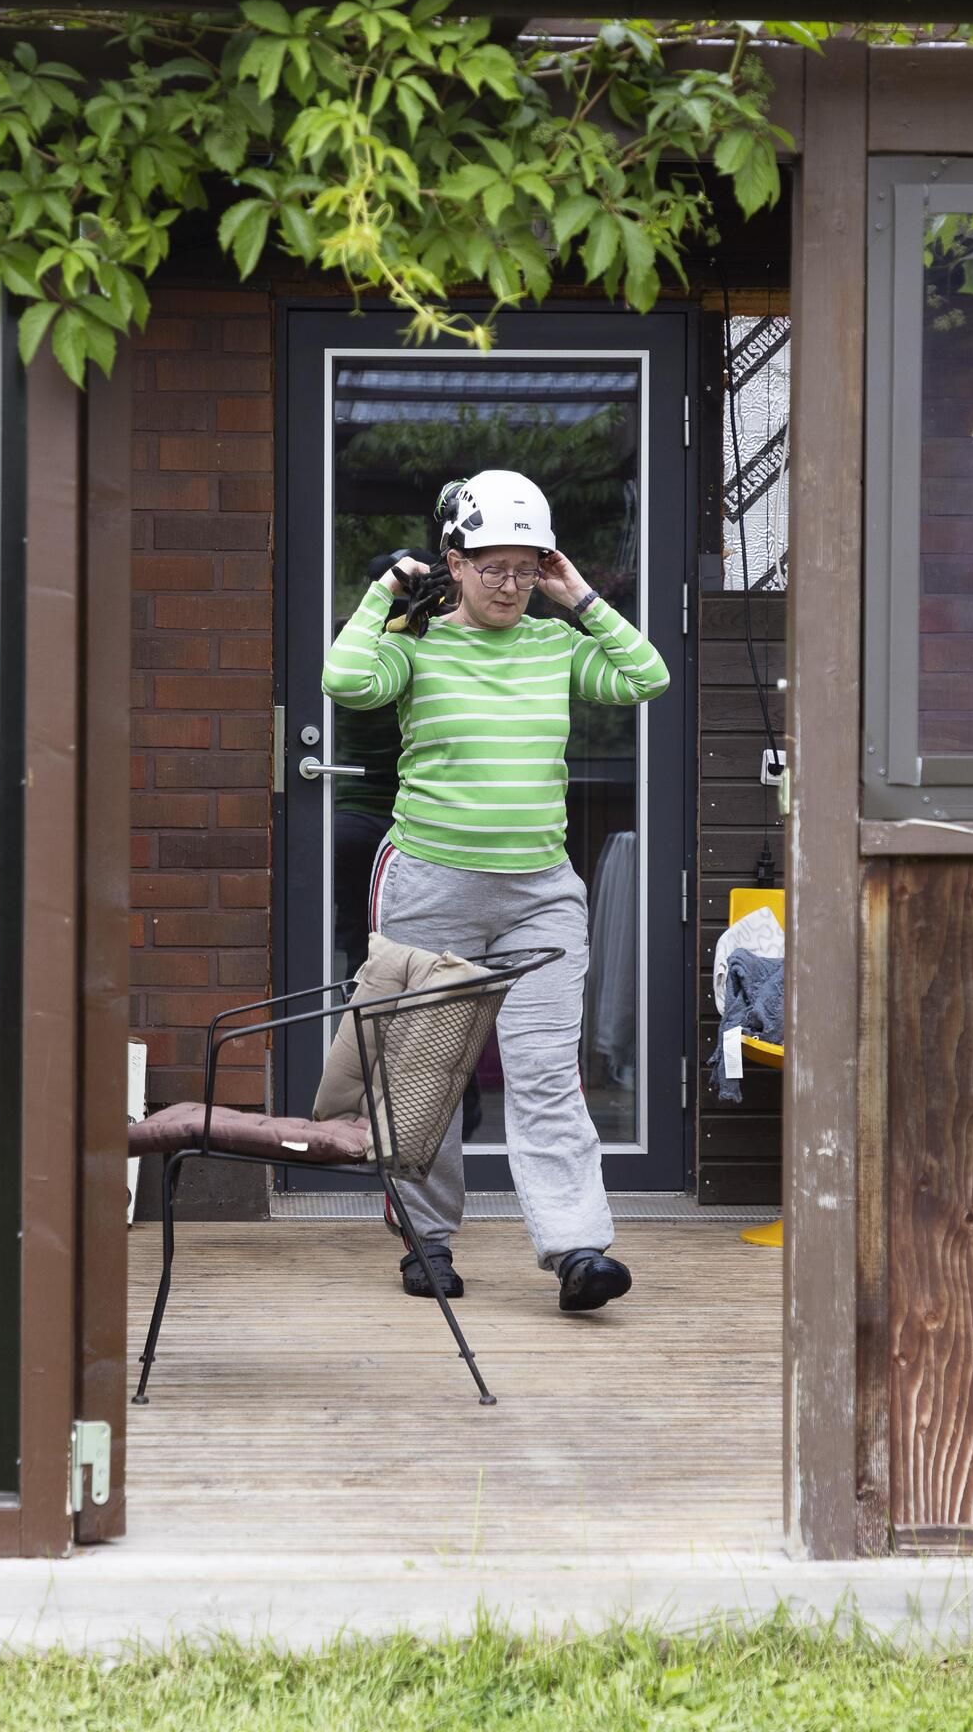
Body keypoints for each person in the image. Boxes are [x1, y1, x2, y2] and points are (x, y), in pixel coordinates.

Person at [322, 469, 669, 1314]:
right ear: (454, 561)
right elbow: (346, 682)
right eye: (491, 567)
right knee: (425, 1075)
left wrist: (579, 596)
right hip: (430, 887)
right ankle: (425, 1236)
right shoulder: (415, 643)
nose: (510, 585)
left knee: (546, 1075)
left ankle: (576, 1247)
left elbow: (645, 677)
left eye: (525, 567)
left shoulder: (554, 645)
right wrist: (383, 595)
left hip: (540, 893)